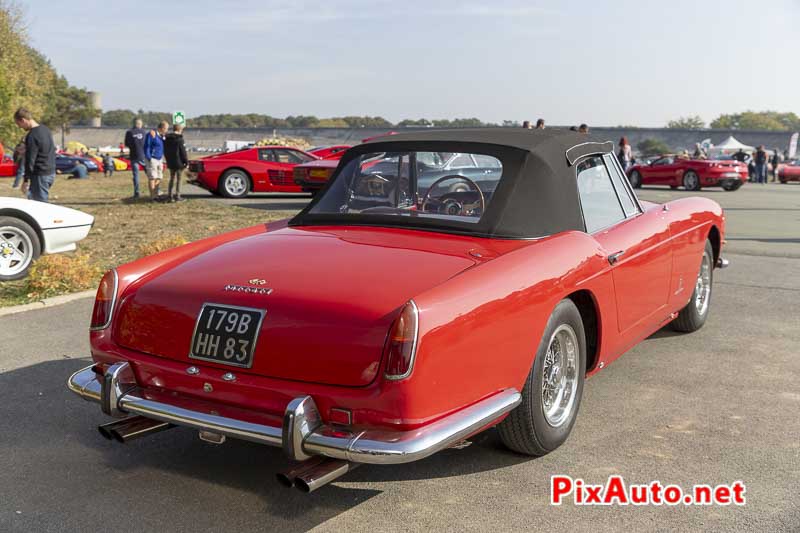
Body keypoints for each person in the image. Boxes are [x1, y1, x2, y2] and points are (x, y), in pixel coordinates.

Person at [13, 107, 56, 202]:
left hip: (40, 175)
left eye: (19, 124)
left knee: (40, 205)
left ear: (23, 120)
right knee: (36, 201)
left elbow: (30, 159)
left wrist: (25, 180)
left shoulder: (32, 135)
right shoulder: (46, 130)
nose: (19, 127)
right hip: (50, 172)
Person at [163, 123, 188, 202]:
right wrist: (186, 162)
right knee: (179, 179)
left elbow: (165, 151)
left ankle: (169, 196)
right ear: (180, 129)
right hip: (179, 162)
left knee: (172, 178)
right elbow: (183, 152)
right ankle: (177, 196)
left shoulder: (167, 138)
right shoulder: (179, 139)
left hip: (170, 161)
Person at [143, 121, 168, 200]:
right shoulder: (152, 134)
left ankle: (156, 193)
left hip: (159, 158)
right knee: (152, 177)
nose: (167, 130)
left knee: (159, 176)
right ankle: (153, 196)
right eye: (166, 129)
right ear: (162, 128)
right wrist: (149, 158)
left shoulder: (162, 136)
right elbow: (147, 146)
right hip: (152, 158)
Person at [124, 118, 147, 198]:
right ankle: (155, 189)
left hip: (133, 155)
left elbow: (126, 144)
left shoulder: (129, 132)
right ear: (140, 124)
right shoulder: (144, 132)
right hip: (143, 155)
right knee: (149, 173)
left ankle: (137, 193)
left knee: (136, 175)